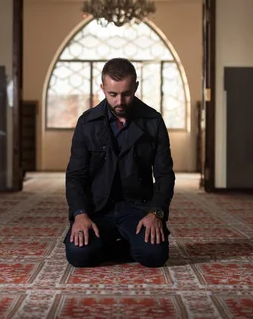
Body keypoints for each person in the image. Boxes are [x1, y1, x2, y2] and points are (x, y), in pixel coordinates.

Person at [64, 57, 175, 268]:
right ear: (102, 88)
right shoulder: (86, 123)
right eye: (112, 94)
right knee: (78, 255)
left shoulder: (154, 121)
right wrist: (80, 214)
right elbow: (75, 176)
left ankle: (119, 244)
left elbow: (164, 175)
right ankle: (125, 244)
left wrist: (156, 213)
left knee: (155, 256)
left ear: (136, 87)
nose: (119, 102)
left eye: (126, 94)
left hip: (138, 208)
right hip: (97, 209)